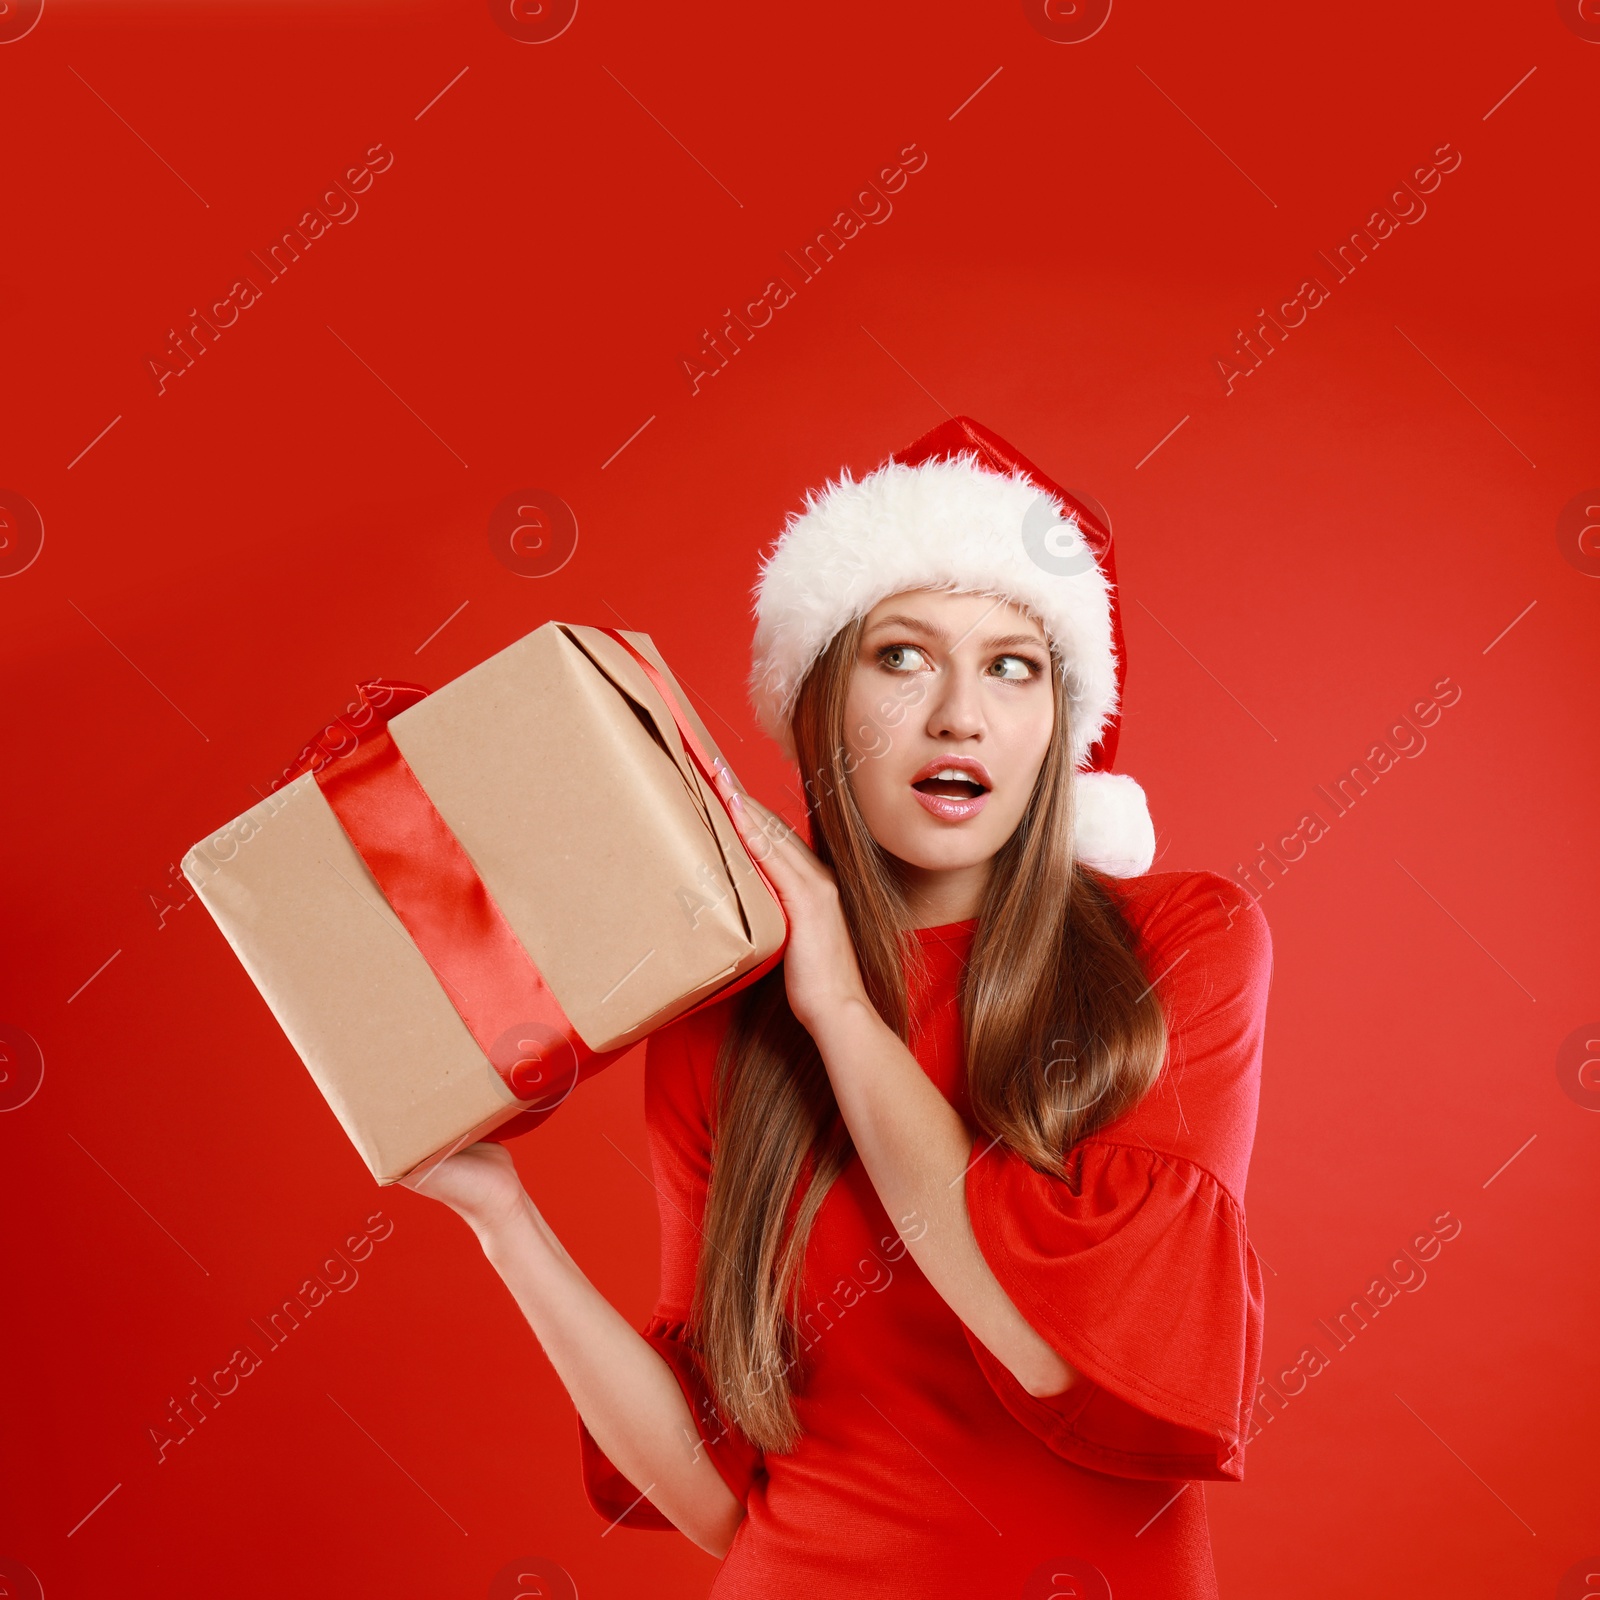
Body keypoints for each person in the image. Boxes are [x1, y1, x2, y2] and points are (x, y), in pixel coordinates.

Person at [407, 417, 1273, 1599]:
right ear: (819, 701)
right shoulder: (720, 1016)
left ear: (1058, 726)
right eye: (902, 656)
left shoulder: (1180, 947)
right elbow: (719, 1491)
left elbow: (1049, 1349)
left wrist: (838, 1005)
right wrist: (499, 1215)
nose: (959, 714)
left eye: (1013, 664)